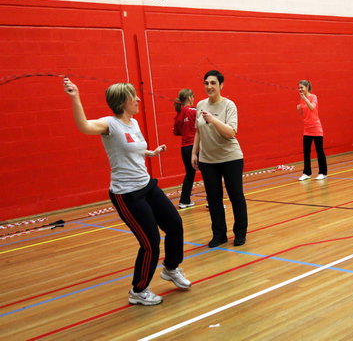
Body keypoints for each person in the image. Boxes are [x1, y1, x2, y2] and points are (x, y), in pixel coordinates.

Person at [63, 77, 191, 306]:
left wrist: (151, 153)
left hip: (146, 185)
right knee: (150, 242)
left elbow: (132, 149)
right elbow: (84, 126)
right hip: (127, 194)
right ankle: (138, 291)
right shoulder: (109, 124)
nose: (138, 99)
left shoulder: (133, 122)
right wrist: (75, 98)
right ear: (123, 102)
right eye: (134, 96)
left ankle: (171, 268)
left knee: (174, 224)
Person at [192, 70, 248, 248]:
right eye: (206, 83)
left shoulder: (229, 105)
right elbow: (198, 131)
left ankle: (240, 233)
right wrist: (195, 153)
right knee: (213, 198)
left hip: (230, 158)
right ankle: (219, 235)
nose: (209, 86)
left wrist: (213, 120)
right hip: (208, 160)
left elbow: (231, 133)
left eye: (213, 83)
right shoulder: (200, 105)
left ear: (221, 85)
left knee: (235, 196)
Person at [296, 80, 328, 180]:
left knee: (319, 150)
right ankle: (307, 173)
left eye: (302, 87)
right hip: (307, 128)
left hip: (316, 127)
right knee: (306, 151)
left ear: (307, 87)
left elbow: (312, 107)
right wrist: (299, 109)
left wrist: (304, 98)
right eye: (299, 88)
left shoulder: (313, 97)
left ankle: (323, 172)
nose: (300, 89)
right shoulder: (301, 99)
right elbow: (303, 114)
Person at [173, 88, 197, 208]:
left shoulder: (178, 115)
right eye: (192, 97)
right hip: (195, 147)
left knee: (189, 174)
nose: (193, 99)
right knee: (209, 173)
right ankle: (213, 201)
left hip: (185, 148)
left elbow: (176, 132)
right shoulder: (194, 111)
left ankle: (184, 200)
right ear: (189, 98)